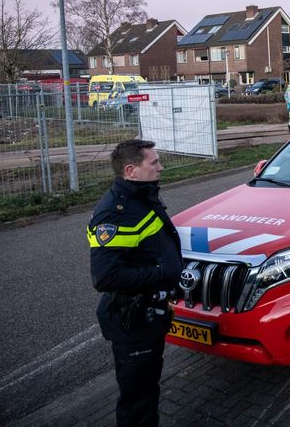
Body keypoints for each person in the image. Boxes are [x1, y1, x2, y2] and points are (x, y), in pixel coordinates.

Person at [87, 139, 182, 426]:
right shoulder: (114, 213)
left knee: (147, 389)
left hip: (148, 316)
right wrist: (162, 272)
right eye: (153, 163)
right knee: (136, 401)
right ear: (132, 171)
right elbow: (105, 277)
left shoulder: (141, 197)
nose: (160, 167)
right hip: (133, 321)